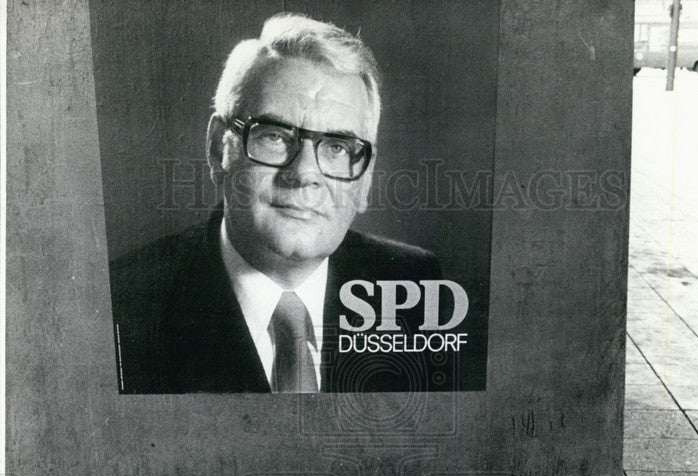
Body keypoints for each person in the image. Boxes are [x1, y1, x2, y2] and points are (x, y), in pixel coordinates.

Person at [111, 14, 462, 394]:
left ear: (365, 179)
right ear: (219, 149)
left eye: (337, 147)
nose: (304, 173)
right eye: (275, 136)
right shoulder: (126, 305)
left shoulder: (412, 283)